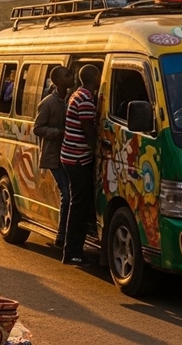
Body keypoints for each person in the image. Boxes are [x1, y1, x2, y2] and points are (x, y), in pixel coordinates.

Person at [60, 64, 101, 266]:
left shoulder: (78, 94)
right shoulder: (85, 99)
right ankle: (73, 252)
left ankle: (73, 249)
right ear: (95, 77)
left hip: (72, 156)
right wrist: (98, 150)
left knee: (79, 204)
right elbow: (88, 130)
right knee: (79, 207)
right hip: (77, 158)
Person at [33, 66, 74, 249]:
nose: (71, 78)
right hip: (54, 156)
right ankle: (61, 237)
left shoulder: (71, 99)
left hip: (70, 155)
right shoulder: (48, 103)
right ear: (58, 82)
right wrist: (59, 133)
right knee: (67, 195)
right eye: (67, 76)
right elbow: (37, 128)